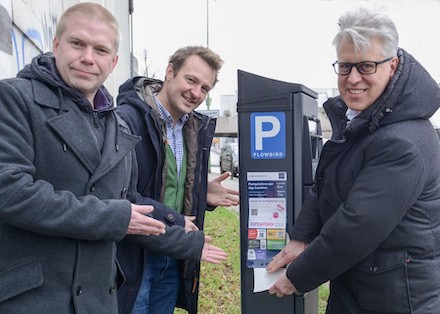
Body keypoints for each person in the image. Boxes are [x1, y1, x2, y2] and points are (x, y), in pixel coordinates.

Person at [267, 7, 440, 313]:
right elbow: (325, 184)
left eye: (367, 66)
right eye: (345, 67)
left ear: (393, 64)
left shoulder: (401, 140)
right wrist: (302, 237)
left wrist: (297, 276)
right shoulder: (362, 121)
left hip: (396, 298)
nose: (353, 78)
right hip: (359, 284)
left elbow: (357, 225)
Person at [0, 3, 170, 313]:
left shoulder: (118, 124)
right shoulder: (14, 98)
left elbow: (131, 202)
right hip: (34, 299)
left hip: (99, 300)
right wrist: (113, 217)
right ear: (56, 45)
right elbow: (10, 192)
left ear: (113, 61)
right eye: (77, 43)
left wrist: (188, 237)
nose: (88, 58)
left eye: (101, 50)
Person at [116, 46, 238, 314]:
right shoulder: (127, 120)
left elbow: (166, 184)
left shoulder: (192, 128)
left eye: (205, 88)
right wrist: (175, 219)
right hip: (135, 258)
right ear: (170, 71)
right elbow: (121, 194)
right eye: (191, 80)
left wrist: (200, 194)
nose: (196, 93)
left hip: (173, 255)